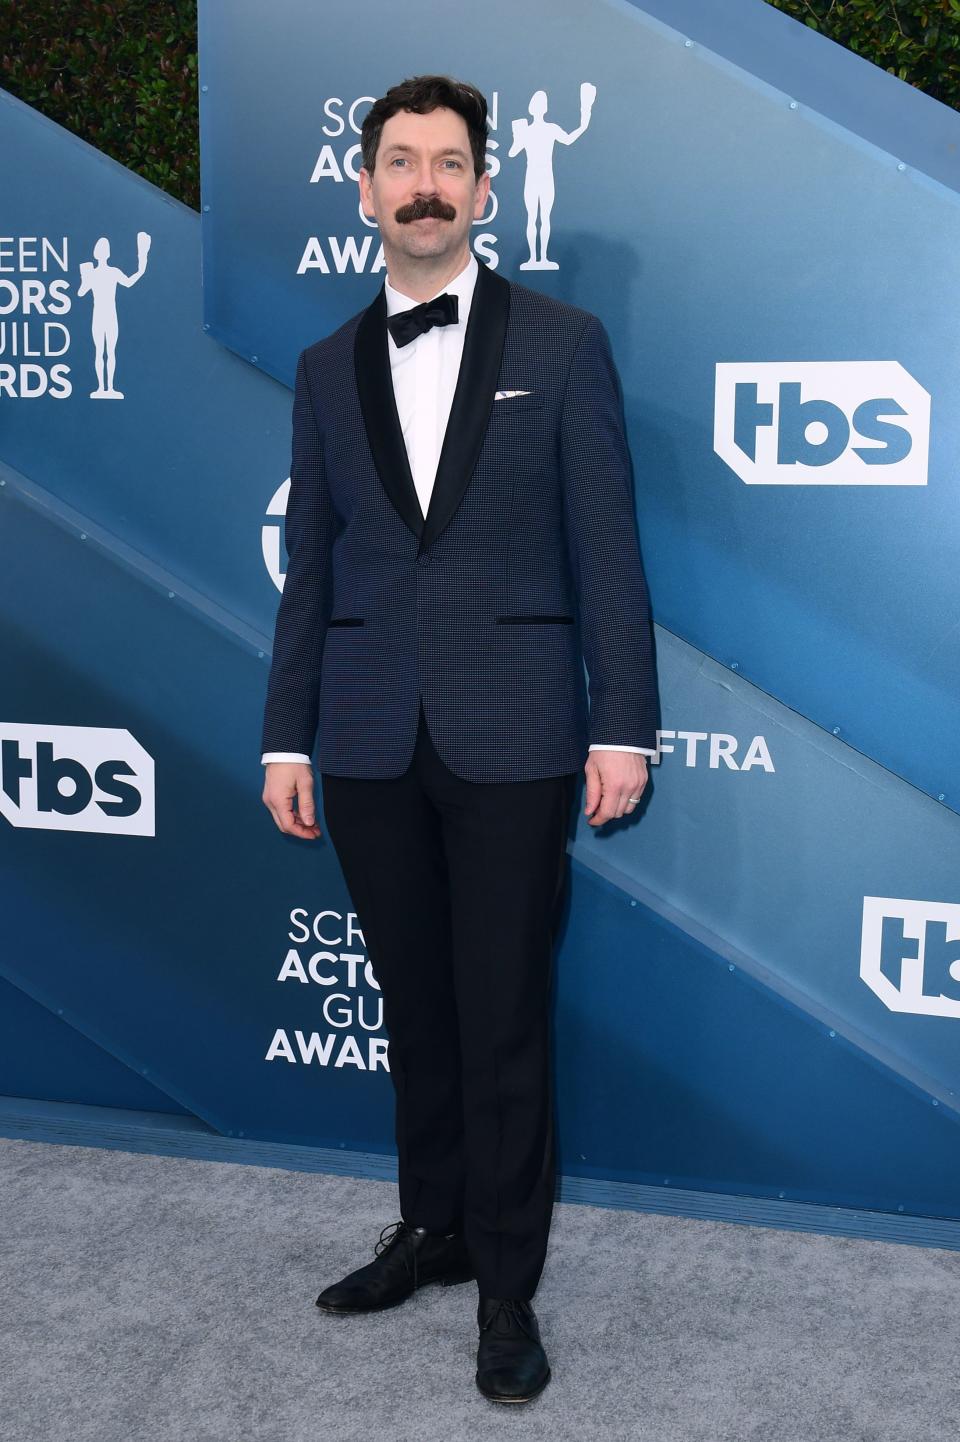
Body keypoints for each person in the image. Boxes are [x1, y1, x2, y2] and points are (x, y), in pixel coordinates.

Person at [260, 73, 659, 1405]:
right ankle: (429, 1225)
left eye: (447, 162)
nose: (424, 182)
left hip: (519, 729)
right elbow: (309, 569)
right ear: (366, 189)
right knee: (417, 1012)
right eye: (400, 161)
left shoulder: (561, 342)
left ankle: (504, 1283)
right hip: (368, 735)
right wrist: (284, 739)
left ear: (484, 190)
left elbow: (608, 548)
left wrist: (628, 726)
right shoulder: (323, 367)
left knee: (498, 1018)